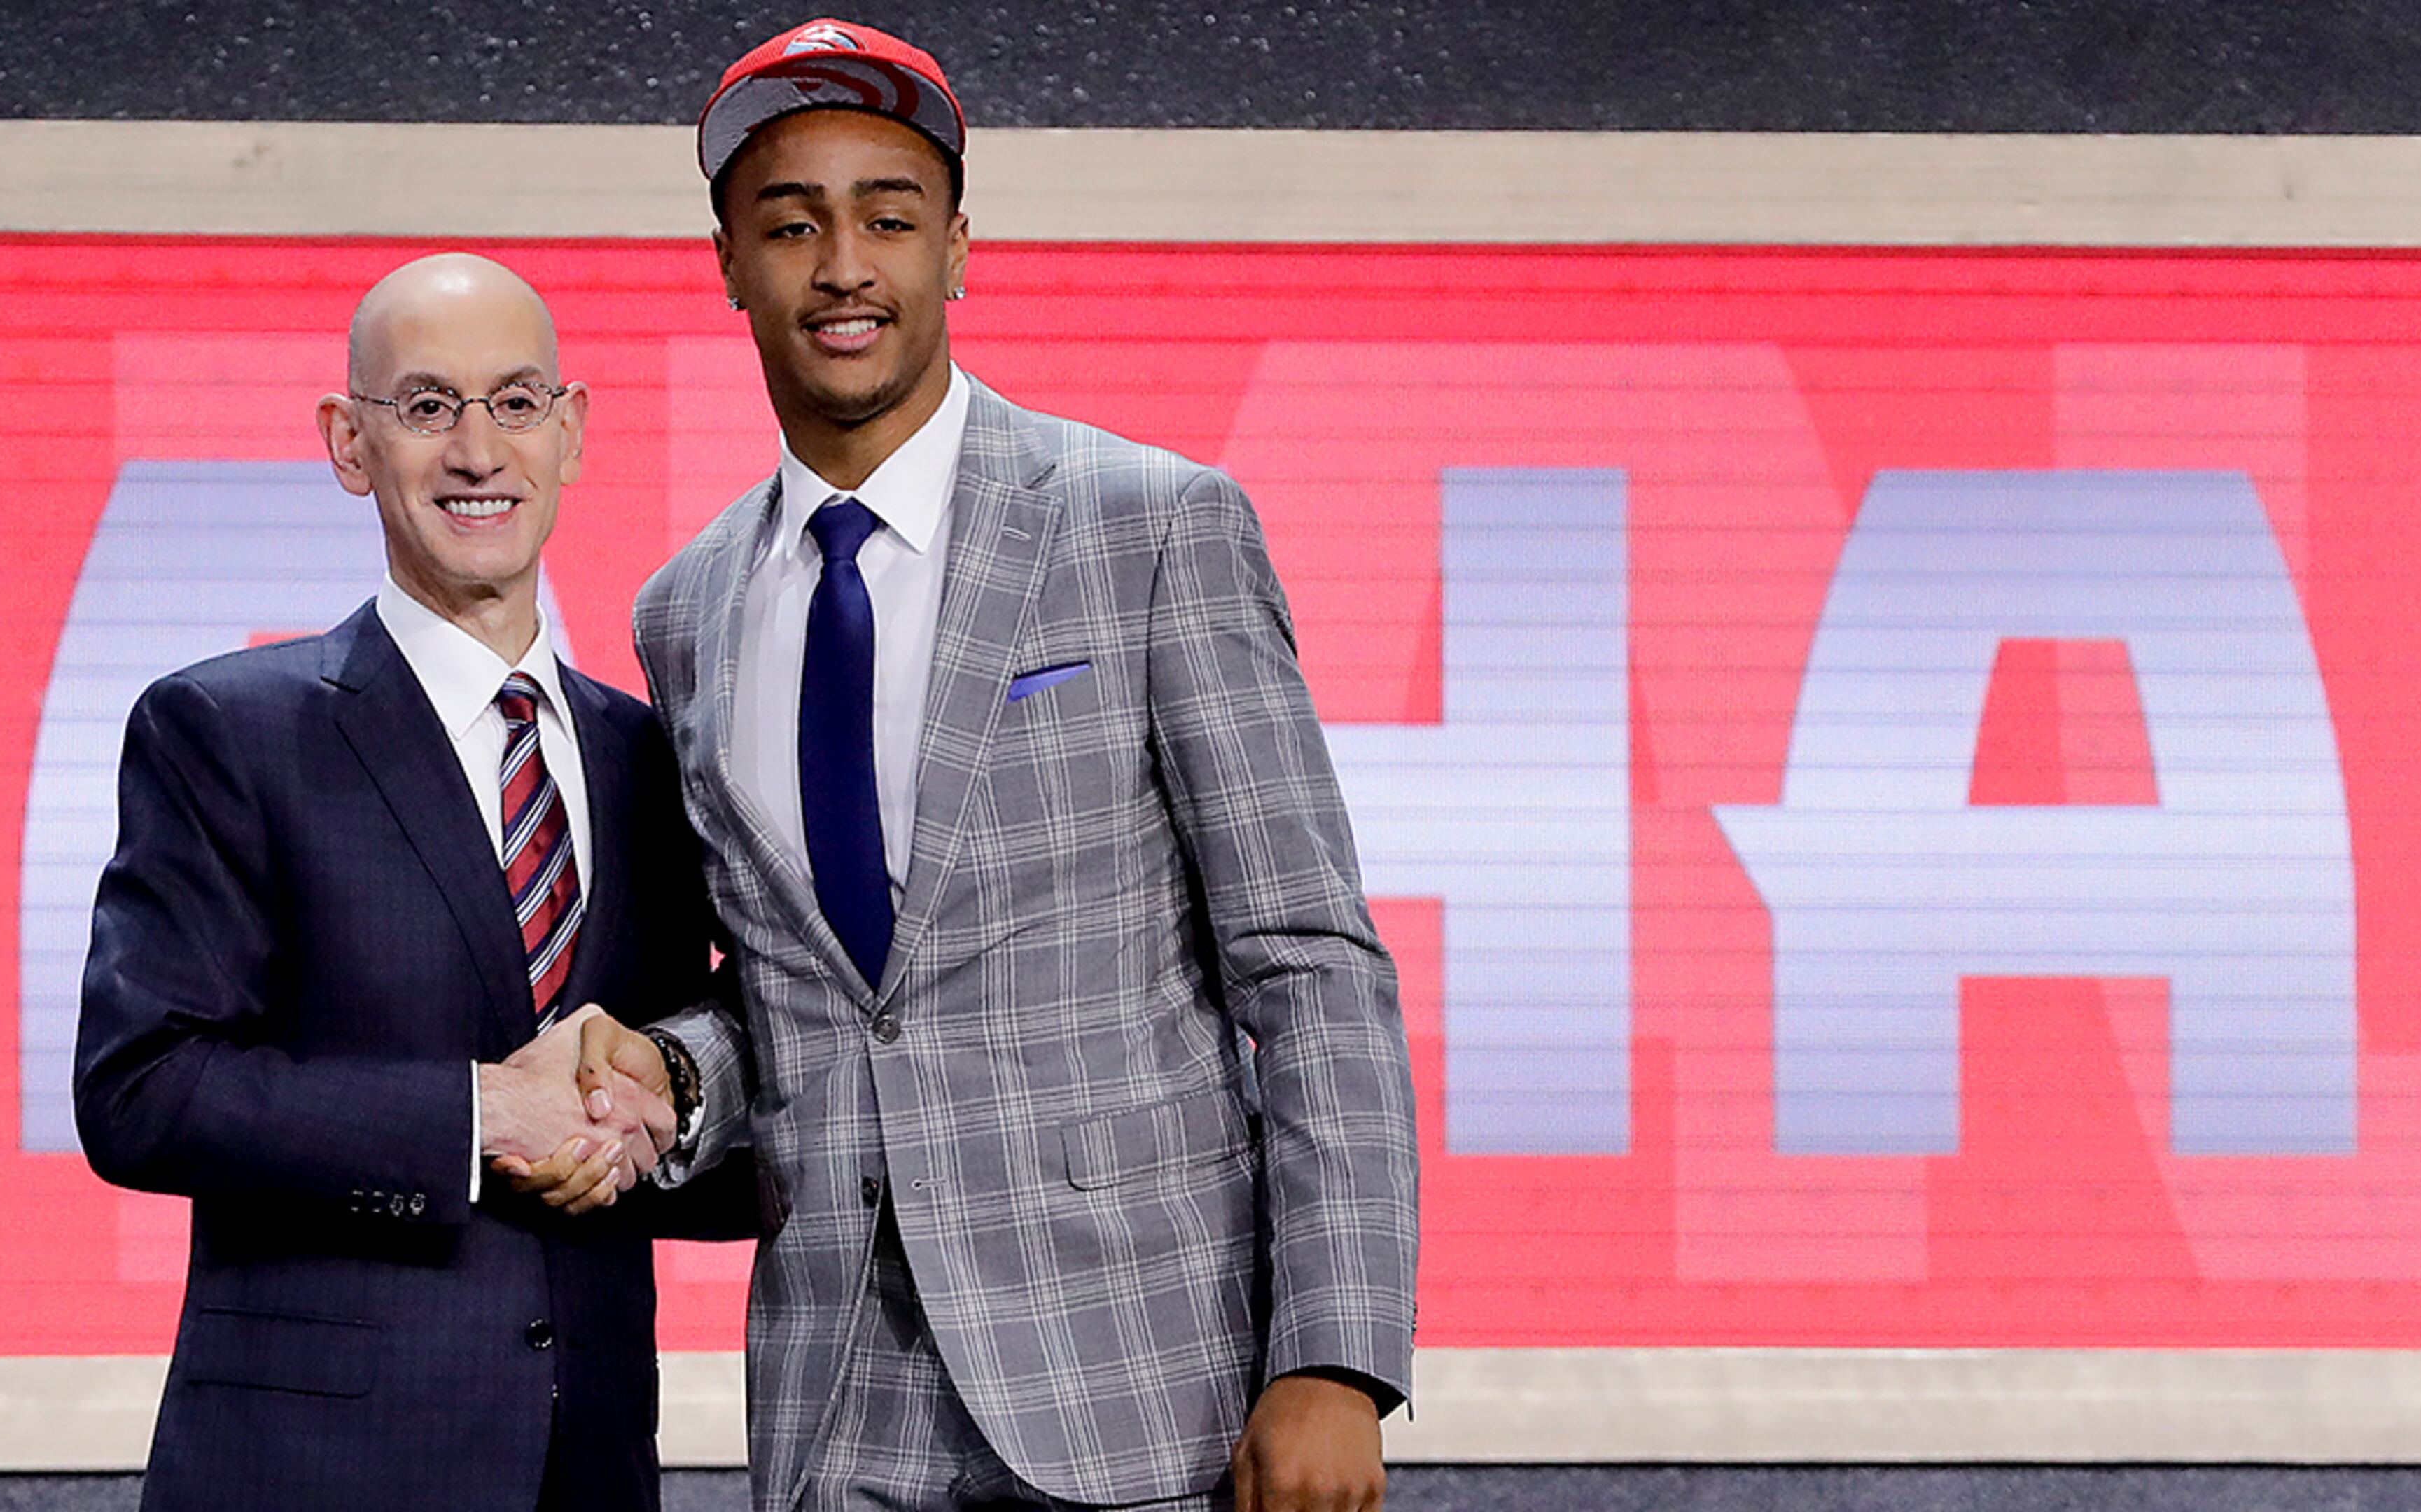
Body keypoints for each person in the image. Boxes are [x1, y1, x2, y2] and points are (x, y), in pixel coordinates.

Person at [593, 20, 1419, 1512]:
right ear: (727, 262)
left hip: (1141, 1381)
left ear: (959, 248)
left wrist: (1337, 1358)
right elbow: (792, 998)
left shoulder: (1150, 525)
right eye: (791, 224)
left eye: (888, 217)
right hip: (835, 1392)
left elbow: (1307, 962)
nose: (844, 263)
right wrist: (670, 1073)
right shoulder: (687, 610)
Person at [74, 252, 745, 1512]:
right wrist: (479, 1121)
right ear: (348, 442)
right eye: (429, 406)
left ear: (574, 430)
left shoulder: (656, 757)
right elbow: (140, 1090)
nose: (478, 450)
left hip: (590, 1471)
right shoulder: (224, 728)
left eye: (516, 401)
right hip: (310, 1476)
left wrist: (660, 1111)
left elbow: (690, 1107)